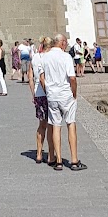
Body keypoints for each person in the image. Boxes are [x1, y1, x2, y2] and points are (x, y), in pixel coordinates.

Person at [39, 34, 86, 172]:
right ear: (62, 43)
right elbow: (72, 78)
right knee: (71, 124)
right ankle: (74, 160)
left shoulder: (44, 57)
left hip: (52, 95)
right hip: (66, 94)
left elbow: (42, 78)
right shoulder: (66, 57)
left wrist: (47, 91)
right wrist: (74, 93)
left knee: (56, 126)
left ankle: (58, 160)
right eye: (66, 42)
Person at [29, 37, 55, 165]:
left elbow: (30, 78)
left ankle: (39, 154)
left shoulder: (35, 57)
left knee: (41, 125)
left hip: (38, 95)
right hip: (50, 94)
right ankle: (51, 155)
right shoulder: (49, 58)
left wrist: (33, 93)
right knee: (51, 125)